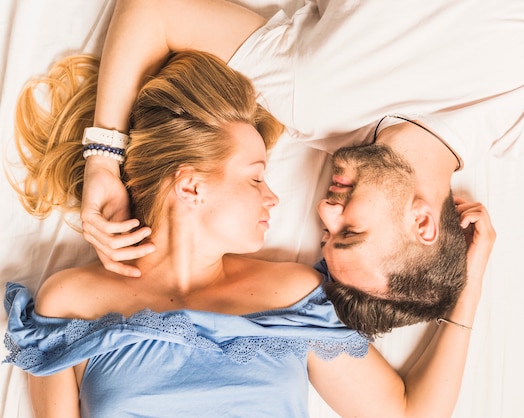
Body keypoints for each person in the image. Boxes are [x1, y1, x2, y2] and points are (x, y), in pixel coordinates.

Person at [81, 0, 524, 334]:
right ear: (423, 224)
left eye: (325, 231)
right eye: (351, 231)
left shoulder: (306, 104)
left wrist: (104, 162)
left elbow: (153, 11)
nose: (324, 208)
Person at [4, 47, 496, 417]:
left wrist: (468, 282)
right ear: (191, 186)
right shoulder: (69, 303)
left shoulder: (293, 294)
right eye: (256, 176)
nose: (273, 198)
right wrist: (103, 163)